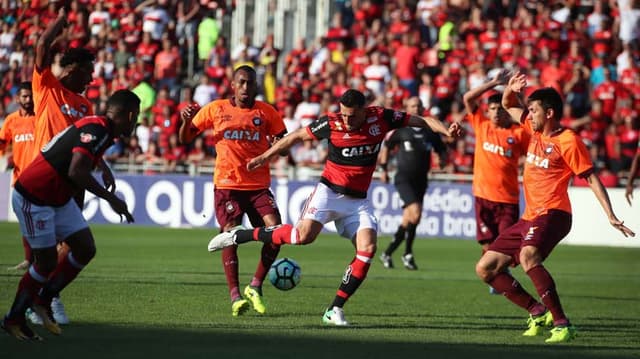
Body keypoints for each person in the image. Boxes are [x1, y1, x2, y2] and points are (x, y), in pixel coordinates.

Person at [207, 89, 461, 325]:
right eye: (344, 114)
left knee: (368, 249)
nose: (347, 120)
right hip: (328, 194)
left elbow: (422, 120)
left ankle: (334, 309)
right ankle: (239, 235)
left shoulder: (381, 117)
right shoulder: (332, 122)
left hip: (357, 201)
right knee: (301, 237)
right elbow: (296, 136)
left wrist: (446, 131)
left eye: (352, 115)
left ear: (364, 110)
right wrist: (264, 157)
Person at [475, 73, 635, 344]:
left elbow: (591, 177)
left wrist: (610, 215)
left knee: (528, 256)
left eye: (534, 110)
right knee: (485, 268)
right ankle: (537, 312)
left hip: (555, 213)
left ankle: (562, 324)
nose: (529, 114)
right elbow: (508, 103)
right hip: (529, 216)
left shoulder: (568, 141)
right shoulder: (531, 128)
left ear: (549, 113)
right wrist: (510, 89)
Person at [1, 90, 139, 341]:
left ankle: (43, 299)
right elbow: (77, 171)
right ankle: (14, 318)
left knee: (85, 247)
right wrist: (111, 199)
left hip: (58, 198)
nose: (136, 122)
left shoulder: (99, 127)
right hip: (35, 196)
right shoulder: (99, 129)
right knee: (45, 262)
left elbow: (76, 156)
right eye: (136, 116)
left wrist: (103, 167)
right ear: (129, 115)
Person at [179, 65, 287, 317]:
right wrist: (185, 121)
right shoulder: (216, 109)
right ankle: (235, 295)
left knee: (278, 232)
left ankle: (256, 285)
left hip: (258, 186)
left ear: (256, 86)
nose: (246, 88)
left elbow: (284, 144)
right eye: (242, 83)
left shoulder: (267, 112)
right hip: (228, 185)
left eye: (250, 83)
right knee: (230, 235)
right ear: (233, 85)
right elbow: (185, 138)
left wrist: (278, 145)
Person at [25, 7, 105, 326]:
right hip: (46, 177)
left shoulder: (85, 106)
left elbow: (86, 143)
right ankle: (37, 299)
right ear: (72, 68)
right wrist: (60, 19)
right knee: (47, 248)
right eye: (88, 72)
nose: (91, 78)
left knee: (69, 244)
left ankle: (47, 297)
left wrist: (104, 166)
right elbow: (42, 47)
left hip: (73, 181)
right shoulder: (46, 87)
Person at [461, 70, 530, 293]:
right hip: (482, 196)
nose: (496, 113)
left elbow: (532, 152)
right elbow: (468, 99)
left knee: (505, 244)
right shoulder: (481, 125)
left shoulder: (518, 134)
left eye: (500, 108)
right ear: (487, 112)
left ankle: (499, 273)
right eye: (492, 109)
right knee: (487, 243)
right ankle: (497, 276)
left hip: (507, 199)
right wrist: (492, 83)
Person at [378, 96, 447, 270]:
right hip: (403, 178)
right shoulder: (401, 130)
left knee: (409, 219)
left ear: (424, 108)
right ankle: (407, 253)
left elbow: (441, 150)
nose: (416, 108)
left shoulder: (430, 132)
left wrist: (441, 162)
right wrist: (383, 169)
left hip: (421, 179)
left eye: (419, 105)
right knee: (415, 214)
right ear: (407, 109)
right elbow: (386, 147)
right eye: (413, 106)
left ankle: (387, 253)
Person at [1, 82, 36, 272]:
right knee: (25, 220)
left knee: (43, 220)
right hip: (20, 179)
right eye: (25, 96)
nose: (28, 100)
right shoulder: (11, 120)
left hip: (41, 178)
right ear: (17, 99)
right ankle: (29, 260)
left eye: (31, 96)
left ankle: (42, 259)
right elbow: (2, 141)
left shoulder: (41, 118)